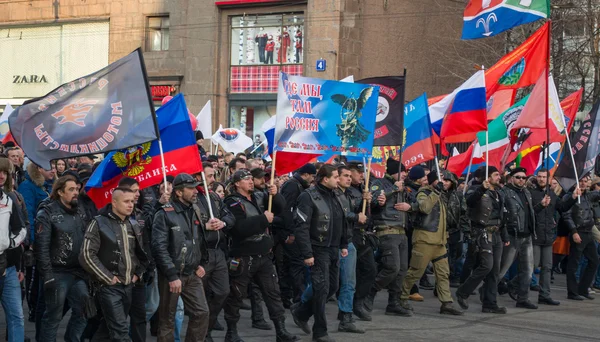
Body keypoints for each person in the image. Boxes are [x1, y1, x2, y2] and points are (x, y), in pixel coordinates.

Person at [222, 170, 297, 342]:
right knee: (236, 295)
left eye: (250, 178)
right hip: (243, 256)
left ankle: (281, 330)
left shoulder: (259, 196)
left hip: (263, 255)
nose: (250, 181)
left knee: (273, 293)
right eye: (245, 179)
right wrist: (263, 220)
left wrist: (276, 194)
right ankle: (231, 332)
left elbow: (280, 208)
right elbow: (239, 228)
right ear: (237, 184)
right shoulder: (232, 202)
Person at [79, 188, 148, 341]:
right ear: (114, 203)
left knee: (106, 331)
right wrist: (107, 277)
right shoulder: (98, 222)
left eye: (132, 201)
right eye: (126, 201)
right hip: (108, 287)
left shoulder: (134, 223)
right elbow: (86, 254)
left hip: (128, 285)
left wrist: (138, 274)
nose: (131, 205)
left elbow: (140, 254)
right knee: (121, 332)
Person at [292, 165, 348, 341]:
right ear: (325, 179)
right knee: (321, 289)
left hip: (333, 248)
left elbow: (342, 220)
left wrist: (344, 243)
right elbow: (301, 228)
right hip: (318, 248)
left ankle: (301, 313)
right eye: (336, 177)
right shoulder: (308, 197)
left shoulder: (337, 195)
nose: (339, 180)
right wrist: (308, 254)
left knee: (333, 287)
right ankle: (320, 332)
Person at [152, 173, 210, 342]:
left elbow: (198, 240)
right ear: (178, 192)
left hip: (192, 273)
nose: (195, 191)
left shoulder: (195, 210)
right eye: (191, 188)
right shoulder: (164, 214)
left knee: (201, 313)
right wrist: (171, 275)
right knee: (167, 320)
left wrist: (200, 262)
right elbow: (159, 247)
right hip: (172, 275)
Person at [399, 170, 463, 316]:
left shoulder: (441, 195)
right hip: (425, 240)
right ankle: (400, 297)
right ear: (433, 181)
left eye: (446, 180)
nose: (444, 182)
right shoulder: (424, 193)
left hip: (439, 241)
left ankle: (447, 303)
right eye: (441, 179)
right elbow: (424, 207)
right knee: (415, 271)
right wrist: (436, 192)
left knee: (443, 273)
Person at [35, 175, 90, 341]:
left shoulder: (80, 210)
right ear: (60, 192)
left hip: (79, 272)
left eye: (77, 189)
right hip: (57, 273)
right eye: (71, 189)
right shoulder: (47, 212)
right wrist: (47, 277)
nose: (76, 192)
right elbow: (41, 248)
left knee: (84, 311)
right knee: (53, 317)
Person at [455, 166, 509, 314]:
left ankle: (490, 303)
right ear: (488, 177)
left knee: (495, 271)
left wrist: (505, 235)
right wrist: (481, 190)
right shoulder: (476, 190)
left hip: (496, 234)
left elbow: (501, 216)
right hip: (482, 232)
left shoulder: (499, 193)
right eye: (496, 175)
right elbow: (469, 202)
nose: (499, 177)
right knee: (486, 265)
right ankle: (463, 292)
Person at [364, 159, 414, 317]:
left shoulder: (405, 188)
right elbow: (372, 201)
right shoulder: (380, 183)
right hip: (387, 229)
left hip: (401, 231)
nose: (405, 174)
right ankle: (370, 292)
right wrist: (393, 189)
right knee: (392, 267)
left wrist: (411, 207)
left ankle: (394, 303)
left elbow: (414, 203)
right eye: (403, 171)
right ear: (394, 171)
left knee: (402, 271)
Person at [195, 170, 236, 342]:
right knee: (201, 298)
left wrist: (223, 222)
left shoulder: (214, 197)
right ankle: (202, 334)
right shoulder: (192, 198)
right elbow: (184, 224)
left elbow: (230, 216)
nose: (213, 179)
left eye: (213, 175)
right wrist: (205, 226)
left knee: (223, 292)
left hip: (219, 251)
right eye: (210, 175)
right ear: (199, 177)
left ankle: (207, 328)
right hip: (202, 253)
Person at [529, 169, 579, 305]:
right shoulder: (531, 193)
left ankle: (544, 295)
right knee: (532, 266)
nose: (541, 179)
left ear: (548, 179)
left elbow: (562, 208)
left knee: (547, 267)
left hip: (548, 236)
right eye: (539, 176)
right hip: (535, 235)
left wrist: (573, 197)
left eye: (544, 177)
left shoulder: (551, 194)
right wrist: (541, 205)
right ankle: (513, 285)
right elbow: (529, 213)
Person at [498, 167, 544, 310]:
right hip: (512, 235)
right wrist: (504, 234)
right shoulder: (504, 192)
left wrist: (541, 206)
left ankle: (522, 298)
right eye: (518, 177)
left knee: (528, 270)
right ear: (511, 178)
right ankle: (487, 293)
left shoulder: (526, 192)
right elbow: (501, 216)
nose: (521, 180)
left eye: (524, 178)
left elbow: (528, 213)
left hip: (527, 236)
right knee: (502, 270)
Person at [334, 165, 367, 333]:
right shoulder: (333, 194)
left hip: (347, 242)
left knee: (348, 282)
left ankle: (345, 316)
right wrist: (356, 216)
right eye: (345, 175)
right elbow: (342, 214)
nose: (348, 178)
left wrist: (365, 199)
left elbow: (354, 210)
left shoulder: (347, 193)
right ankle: (302, 307)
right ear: (336, 177)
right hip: (332, 244)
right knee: (328, 285)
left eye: (349, 175)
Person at [279, 163, 317, 307]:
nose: (313, 179)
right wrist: (290, 232)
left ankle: (292, 295)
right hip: (291, 231)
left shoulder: (300, 186)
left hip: (295, 230)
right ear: (306, 174)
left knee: (294, 264)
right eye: (312, 176)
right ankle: (297, 297)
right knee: (295, 264)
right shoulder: (292, 185)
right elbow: (286, 209)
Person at [0, 157, 28, 342]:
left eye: (4, 172)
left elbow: (22, 229)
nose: (1, 176)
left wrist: (20, 266)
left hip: (8, 268)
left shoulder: (10, 199)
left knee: (17, 316)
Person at [346, 162, 377, 322]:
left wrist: (376, 201)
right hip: (351, 235)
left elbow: (370, 213)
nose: (361, 174)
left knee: (369, 270)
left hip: (363, 235)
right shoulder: (345, 190)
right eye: (358, 171)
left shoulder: (362, 188)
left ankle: (358, 302)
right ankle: (346, 309)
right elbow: (347, 211)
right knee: (348, 276)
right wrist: (361, 202)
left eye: (362, 171)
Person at [563, 175, 600, 300]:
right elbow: (566, 215)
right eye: (581, 181)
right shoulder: (570, 196)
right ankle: (572, 292)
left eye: (585, 181)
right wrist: (574, 232)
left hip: (589, 232)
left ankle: (583, 289)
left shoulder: (588, 195)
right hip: (578, 232)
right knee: (574, 264)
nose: (583, 184)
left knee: (594, 261)